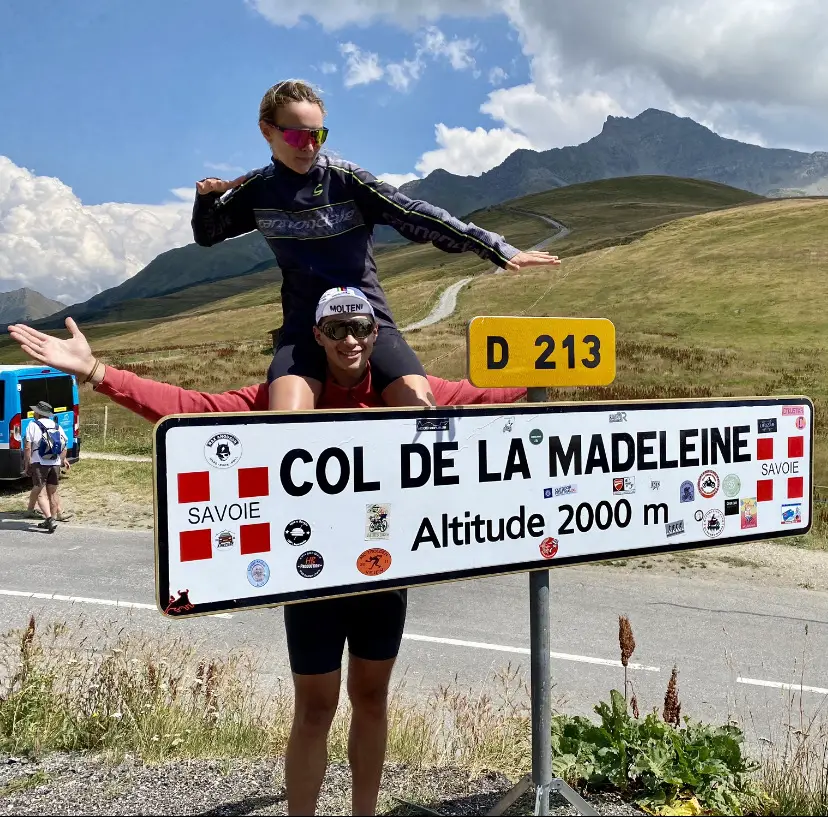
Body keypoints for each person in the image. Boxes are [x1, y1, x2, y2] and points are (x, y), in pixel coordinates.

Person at [7, 301, 526, 817]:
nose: (350, 340)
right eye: (336, 328)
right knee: (316, 706)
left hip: (381, 577)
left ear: (376, 334)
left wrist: (565, 368)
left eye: (361, 328)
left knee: (372, 698)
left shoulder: (414, 391)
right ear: (317, 335)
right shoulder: (277, 398)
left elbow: (498, 393)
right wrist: (97, 372)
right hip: (308, 575)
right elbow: (189, 407)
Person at [191, 78, 560, 420]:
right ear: (267, 131)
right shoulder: (257, 190)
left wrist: (496, 247)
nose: (309, 146)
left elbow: (415, 215)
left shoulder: (347, 179)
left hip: (370, 323)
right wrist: (207, 199)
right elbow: (208, 235)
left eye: (318, 134)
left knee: (423, 419)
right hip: (304, 328)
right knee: (287, 425)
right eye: (296, 135)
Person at [22, 400, 70, 533]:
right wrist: (61, 460)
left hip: (39, 462)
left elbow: (27, 447)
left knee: (40, 492)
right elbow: (64, 445)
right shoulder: (56, 425)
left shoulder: (33, 425)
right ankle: (53, 518)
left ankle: (49, 519)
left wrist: (27, 463)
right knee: (53, 492)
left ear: (38, 413)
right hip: (54, 463)